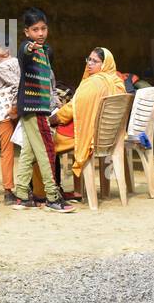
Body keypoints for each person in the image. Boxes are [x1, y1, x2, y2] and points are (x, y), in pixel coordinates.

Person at [11, 7, 74, 213]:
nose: (40, 33)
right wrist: (30, 48)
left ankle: (20, 195)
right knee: (47, 150)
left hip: (39, 107)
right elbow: (25, 52)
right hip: (33, 107)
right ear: (27, 32)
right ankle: (53, 197)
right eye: (35, 29)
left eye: (43, 29)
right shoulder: (25, 49)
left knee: (29, 152)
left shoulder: (48, 51)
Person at [49, 47, 126, 195]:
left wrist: (53, 119)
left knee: (45, 140)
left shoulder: (93, 83)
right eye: (88, 59)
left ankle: (51, 191)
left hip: (90, 136)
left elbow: (73, 108)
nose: (89, 64)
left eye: (95, 61)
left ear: (104, 64)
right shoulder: (117, 82)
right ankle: (79, 191)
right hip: (110, 135)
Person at [0, 34, 44, 205]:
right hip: (23, 108)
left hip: (6, 111)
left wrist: (14, 107)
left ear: (6, 51)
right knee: (29, 148)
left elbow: (19, 84)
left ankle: (8, 190)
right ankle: (32, 187)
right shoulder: (20, 62)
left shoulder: (2, 68)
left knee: (7, 150)